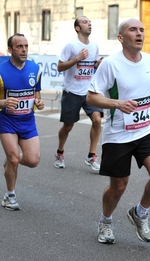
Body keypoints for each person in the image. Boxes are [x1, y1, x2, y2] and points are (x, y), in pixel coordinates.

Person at [87, 18, 150, 244]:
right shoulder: (110, 64)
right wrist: (117, 104)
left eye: (142, 29)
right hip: (118, 134)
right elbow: (92, 96)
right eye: (133, 30)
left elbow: (145, 87)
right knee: (119, 186)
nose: (139, 33)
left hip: (145, 129)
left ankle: (140, 213)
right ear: (121, 38)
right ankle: (106, 220)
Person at [0, 33, 45, 210]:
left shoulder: (35, 69)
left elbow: (36, 92)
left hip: (28, 121)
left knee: (33, 161)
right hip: (7, 121)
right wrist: (2, 102)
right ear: (10, 49)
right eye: (19, 47)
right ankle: (10, 196)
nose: (24, 50)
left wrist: (38, 102)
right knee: (15, 159)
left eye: (26, 46)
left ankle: (10, 160)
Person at [54, 16, 104, 170]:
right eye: (85, 22)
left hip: (89, 91)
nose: (89, 23)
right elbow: (60, 67)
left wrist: (98, 64)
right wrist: (77, 58)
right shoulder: (71, 45)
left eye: (90, 22)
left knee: (97, 120)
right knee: (68, 126)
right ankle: (60, 152)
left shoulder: (94, 46)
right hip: (72, 92)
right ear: (77, 28)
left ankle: (91, 156)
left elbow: (92, 66)